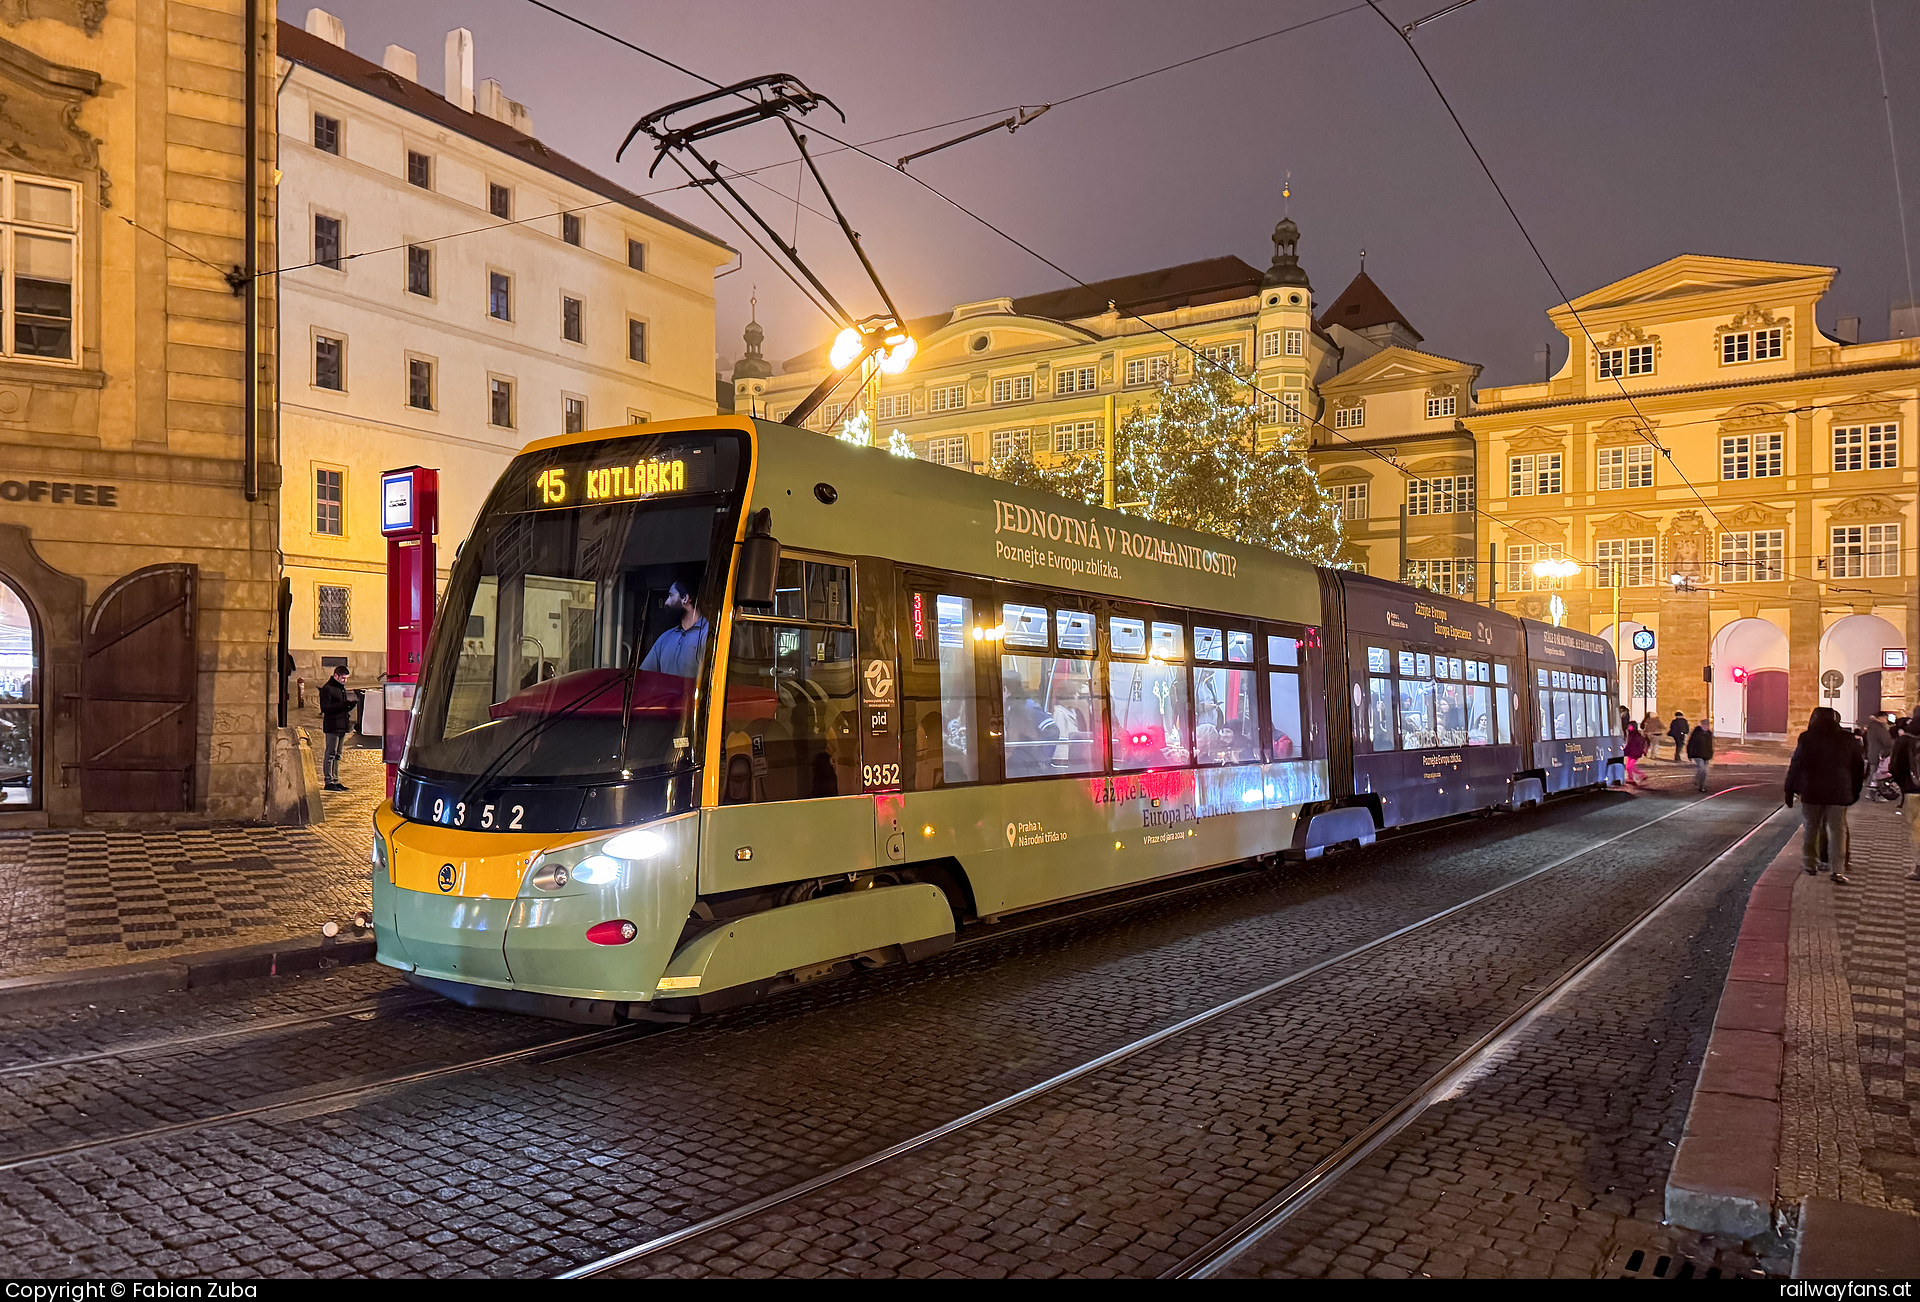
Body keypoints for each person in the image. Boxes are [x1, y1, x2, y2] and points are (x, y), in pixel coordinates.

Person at [1784, 706, 1865, 885]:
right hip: (1839, 792)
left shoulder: (1807, 738)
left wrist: (1789, 789)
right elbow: (1858, 767)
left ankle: (1809, 863)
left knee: (1811, 827)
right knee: (1838, 830)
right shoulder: (1847, 739)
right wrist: (1855, 790)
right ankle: (1837, 870)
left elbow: (1796, 764)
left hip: (1812, 791)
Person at [639, 581, 707, 678]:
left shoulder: (708, 635)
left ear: (685, 598)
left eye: (671, 596)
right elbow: (644, 676)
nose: (666, 602)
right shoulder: (665, 638)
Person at [1889, 719, 1920, 882]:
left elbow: (1894, 766)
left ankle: (1919, 867)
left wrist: (1903, 784)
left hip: (1912, 790)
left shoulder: (1904, 741)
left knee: (1916, 828)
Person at [318, 665, 355, 792]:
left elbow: (341, 707)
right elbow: (326, 708)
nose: (345, 681)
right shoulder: (328, 689)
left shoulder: (341, 688)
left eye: (346, 678)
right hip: (332, 726)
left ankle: (335, 779)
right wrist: (344, 705)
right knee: (330, 754)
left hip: (342, 725)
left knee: (338, 755)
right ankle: (328, 781)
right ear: (336, 676)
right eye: (343, 678)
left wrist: (350, 706)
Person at [1865, 711, 1895, 794]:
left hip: (1873, 753)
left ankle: (1872, 793)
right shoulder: (1879, 728)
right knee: (1877, 775)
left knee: (1873, 774)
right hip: (1880, 754)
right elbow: (1887, 742)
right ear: (1880, 718)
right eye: (1885, 718)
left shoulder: (1872, 727)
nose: (1886, 720)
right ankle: (1873, 794)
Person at [1687, 720, 1714, 792]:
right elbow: (1690, 743)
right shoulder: (1697, 733)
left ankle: (1697, 781)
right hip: (1697, 754)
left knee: (1703, 770)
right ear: (1701, 725)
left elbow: (1710, 745)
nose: (1705, 726)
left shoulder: (1709, 734)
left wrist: (1711, 754)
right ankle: (1702, 785)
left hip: (1706, 755)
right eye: (1704, 725)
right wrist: (1689, 754)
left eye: (1707, 725)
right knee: (1702, 769)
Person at [1622, 721, 1646, 787]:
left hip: (1634, 752)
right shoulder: (1631, 734)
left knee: (1630, 766)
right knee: (1628, 766)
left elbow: (1637, 745)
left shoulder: (1636, 735)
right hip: (1631, 752)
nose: (1629, 727)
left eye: (1630, 726)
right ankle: (1631, 778)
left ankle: (1641, 775)